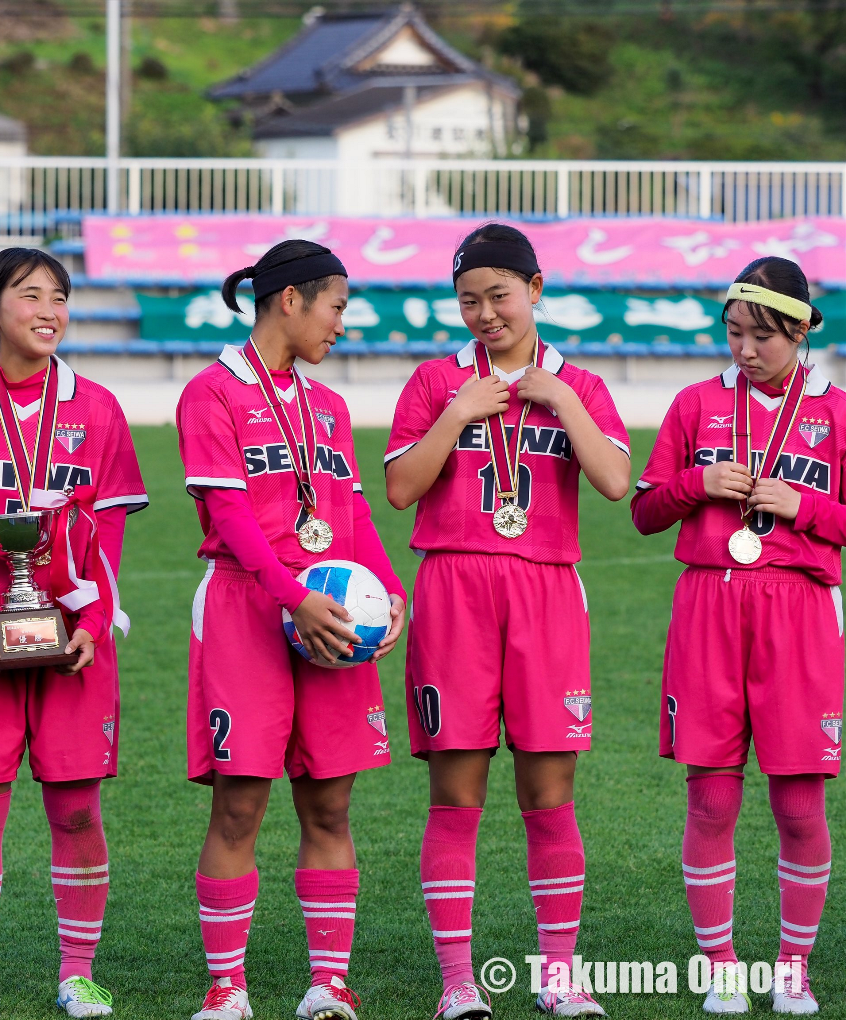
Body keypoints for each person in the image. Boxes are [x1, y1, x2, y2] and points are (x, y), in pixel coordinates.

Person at [384, 223, 631, 1019]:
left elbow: (617, 482)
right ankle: (458, 985)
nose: (485, 313)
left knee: (549, 792)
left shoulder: (581, 384)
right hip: (453, 588)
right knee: (456, 793)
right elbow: (398, 490)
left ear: (536, 289)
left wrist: (558, 398)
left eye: (498, 295)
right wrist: (455, 415)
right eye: (468, 300)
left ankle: (559, 974)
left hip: (547, 592)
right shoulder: (433, 381)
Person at [0, 248, 148, 1019]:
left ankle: (77, 973)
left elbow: (107, 530)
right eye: (31, 295)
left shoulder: (98, 407)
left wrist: (93, 622)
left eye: (61, 297)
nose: (50, 310)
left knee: (77, 809)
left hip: (76, 645)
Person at [176, 239, 407, 1020]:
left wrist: (389, 589)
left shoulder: (330, 406)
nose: (343, 324)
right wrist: (289, 597)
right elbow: (229, 516)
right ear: (291, 300)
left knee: (329, 805)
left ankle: (328, 982)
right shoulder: (211, 392)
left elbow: (353, 512)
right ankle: (227, 986)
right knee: (240, 803)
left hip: (332, 613)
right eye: (337, 307)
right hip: (249, 606)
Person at [632, 256, 843, 1016]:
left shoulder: (836, 411)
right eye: (733, 332)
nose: (745, 349)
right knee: (712, 801)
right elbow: (645, 510)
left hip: (800, 610)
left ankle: (792, 969)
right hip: (708, 607)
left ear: (799, 330)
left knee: (798, 805)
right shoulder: (694, 404)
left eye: (761, 336)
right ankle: (720, 967)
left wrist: (802, 507)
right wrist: (695, 484)